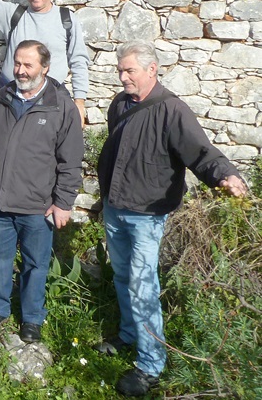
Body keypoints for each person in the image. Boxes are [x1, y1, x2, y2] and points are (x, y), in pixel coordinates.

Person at [96, 41, 249, 397]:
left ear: (152, 69)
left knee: (141, 284)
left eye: (129, 70)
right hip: (116, 207)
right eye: (120, 70)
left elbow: (202, 152)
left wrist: (225, 175)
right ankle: (130, 334)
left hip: (147, 214)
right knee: (122, 275)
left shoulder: (172, 110)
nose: (123, 77)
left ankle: (150, 366)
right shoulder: (120, 104)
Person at [0, 41, 83, 343]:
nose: (20, 71)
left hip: (37, 204)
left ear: (45, 67)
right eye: (17, 64)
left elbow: (71, 159)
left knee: (35, 263)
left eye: (27, 65)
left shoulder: (60, 105)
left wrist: (63, 202)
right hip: (0, 202)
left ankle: (32, 317)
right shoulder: (0, 99)